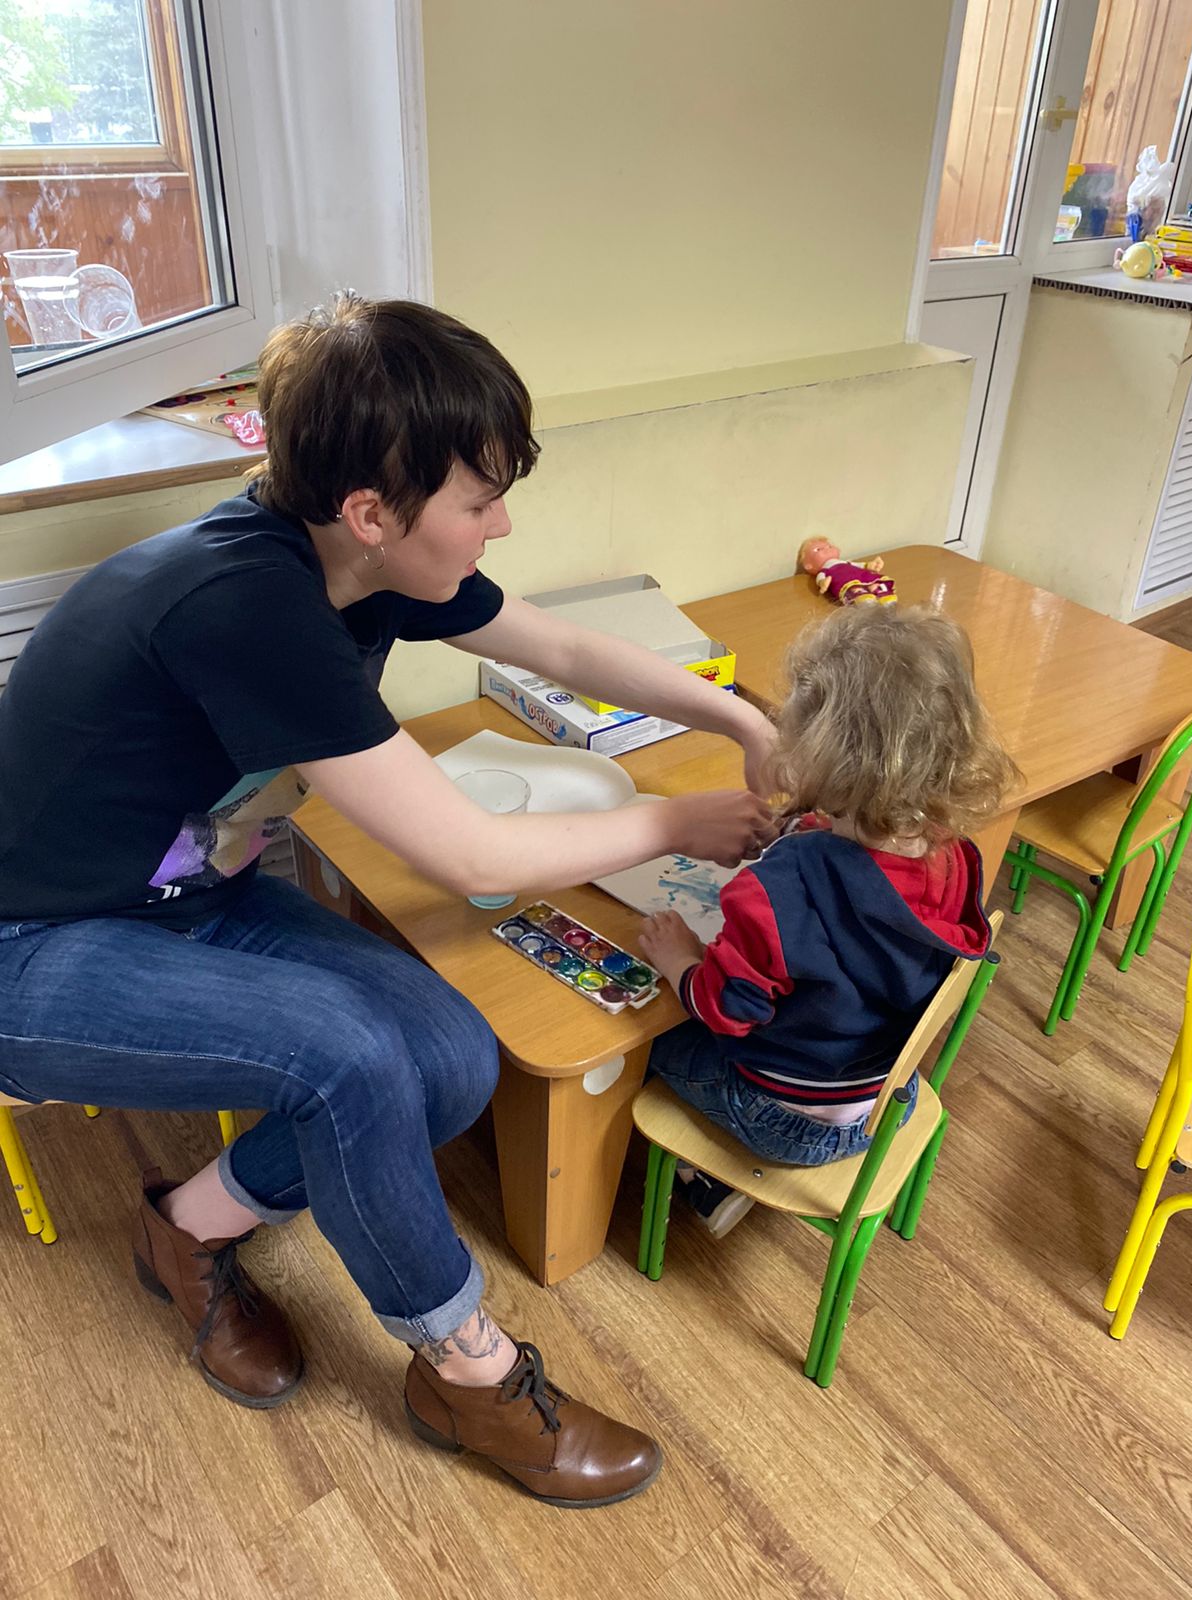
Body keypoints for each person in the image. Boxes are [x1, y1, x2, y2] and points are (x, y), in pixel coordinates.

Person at [0, 293, 779, 1510]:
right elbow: (469, 850)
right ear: (371, 512)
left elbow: (563, 650)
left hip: (183, 894)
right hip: (34, 941)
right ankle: (473, 1373)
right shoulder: (249, 606)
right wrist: (680, 822)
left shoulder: (361, 562)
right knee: (352, 1057)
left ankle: (186, 1227)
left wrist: (742, 720)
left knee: (451, 1059)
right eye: (480, 500)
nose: (501, 522)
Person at [638, 603, 1017, 1238]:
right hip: (882, 1103)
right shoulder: (954, 856)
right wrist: (815, 827)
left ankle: (704, 1177)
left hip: (780, 1118)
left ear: (820, 752)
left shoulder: (779, 890)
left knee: (647, 1041)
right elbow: (862, 894)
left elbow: (727, 1009)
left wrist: (679, 957)